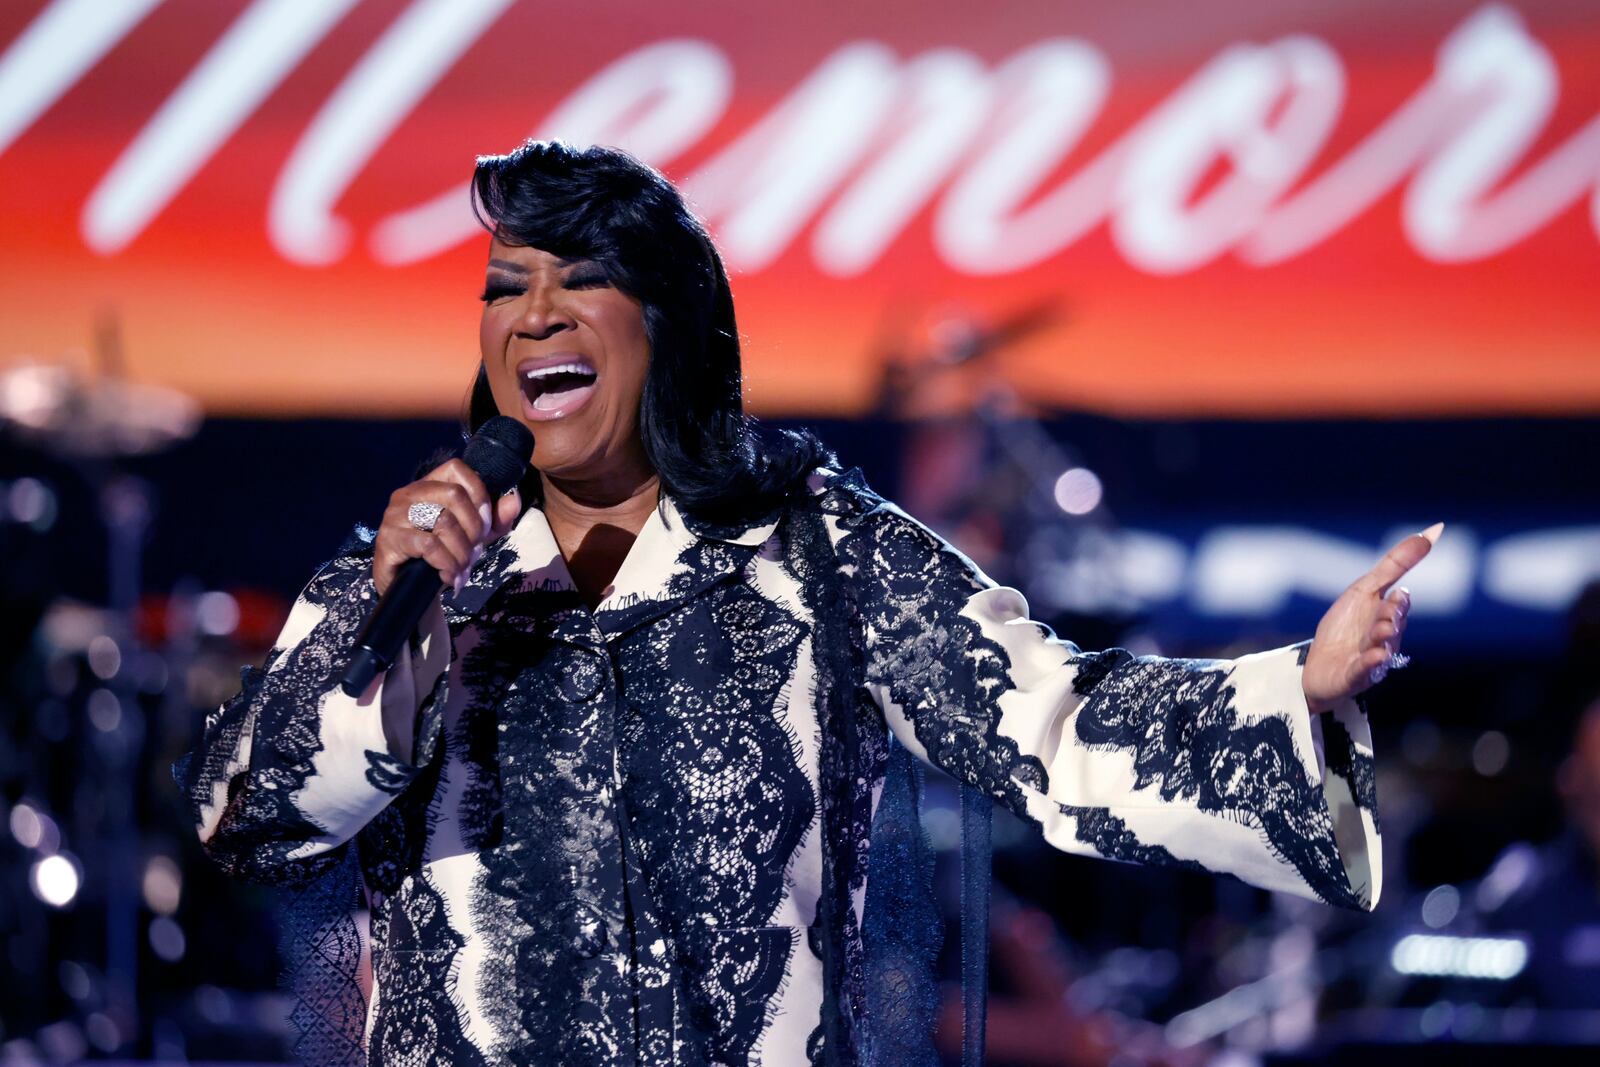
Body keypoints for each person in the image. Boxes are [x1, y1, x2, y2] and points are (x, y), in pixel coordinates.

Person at [174, 140, 1434, 1067]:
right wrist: (399, 636)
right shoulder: (421, 567)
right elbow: (249, 817)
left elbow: (1048, 723)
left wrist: (1297, 688)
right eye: (505, 286)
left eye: (574, 279)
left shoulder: (818, 550)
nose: (532, 312)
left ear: (669, 326)